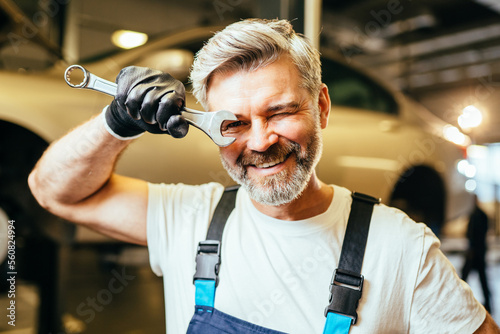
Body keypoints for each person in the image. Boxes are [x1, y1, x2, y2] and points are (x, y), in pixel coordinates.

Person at [28, 18, 499, 333]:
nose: (259, 142)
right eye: (232, 123)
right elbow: (53, 192)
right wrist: (116, 124)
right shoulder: (191, 217)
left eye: (280, 112)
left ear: (321, 107)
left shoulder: (402, 248)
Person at [462, 195, 492, 313]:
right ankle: (462, 300)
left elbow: (476, 234)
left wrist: (474, 249)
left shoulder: (478, 215)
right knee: (468, 277)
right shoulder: (474, 215)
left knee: (476, 278)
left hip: (476, 253)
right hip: (475, 251)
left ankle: (487, 303)